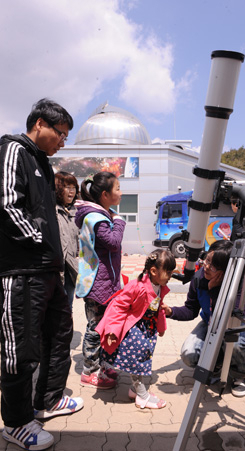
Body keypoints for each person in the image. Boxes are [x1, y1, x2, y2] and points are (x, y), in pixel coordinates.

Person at [0, 98, 84, 450]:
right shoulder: (13, 151)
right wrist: (38, 240)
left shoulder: (43, 165)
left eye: (66, 135)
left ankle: (47, 400)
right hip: (22, 271)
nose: (63, 141)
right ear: (38, 124)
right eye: (60, 133)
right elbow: (5, 203)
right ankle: (17, 423)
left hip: (49, 272)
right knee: (21, 349)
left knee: (59, 336)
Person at [161, 240, 245, 398]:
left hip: (240, 324)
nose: (206, 267)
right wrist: (170, 311)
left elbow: (232, 315)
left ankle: (241, 374)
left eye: (213, 266)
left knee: (234, 343)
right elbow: (191, 309)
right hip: (211, 322)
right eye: (206, 260)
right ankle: (218, 363)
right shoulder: (199, 277)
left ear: (227, 269)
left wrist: (214, 290)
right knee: (189, 354)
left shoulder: (244, 281)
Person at [96, 249, 176, 409]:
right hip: (134, 331)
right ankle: (142, 396)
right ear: (153, 271)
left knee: (143, 360)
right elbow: (118, 306)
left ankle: (135, 389)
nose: (170, 276)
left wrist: (161, 327)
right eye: (168, 272)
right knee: (138, 363)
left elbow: (158, 307)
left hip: (147, 330)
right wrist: (112, 330)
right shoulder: (137, 286)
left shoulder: (159, 285)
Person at [75, 171, 126, 390]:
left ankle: (105, 366)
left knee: (107, 327)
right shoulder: (96, 218)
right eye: (117, 189)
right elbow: (113, 242)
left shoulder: (103, 214)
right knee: (96, 329)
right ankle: (89, 371)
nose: (121, 192)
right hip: (97, 285)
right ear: (105, 194)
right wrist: (120, 221)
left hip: (107, 283)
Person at [55, 171, 79, 310]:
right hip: (55, 267)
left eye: (74, 187)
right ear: (58, 189)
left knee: (67, 305)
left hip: (71, 268)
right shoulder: (51, 210)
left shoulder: (77, 212)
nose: (72, 191)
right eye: (67, 187)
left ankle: (64, 331)